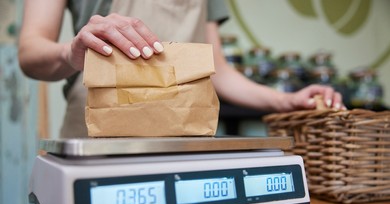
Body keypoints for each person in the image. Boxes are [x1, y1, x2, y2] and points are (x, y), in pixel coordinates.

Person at [18, 0, 344, 138]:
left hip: (185, 140)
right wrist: (69, 52)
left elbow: (217, 69)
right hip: (98, 142)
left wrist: (285, 101)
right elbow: (30, 51)